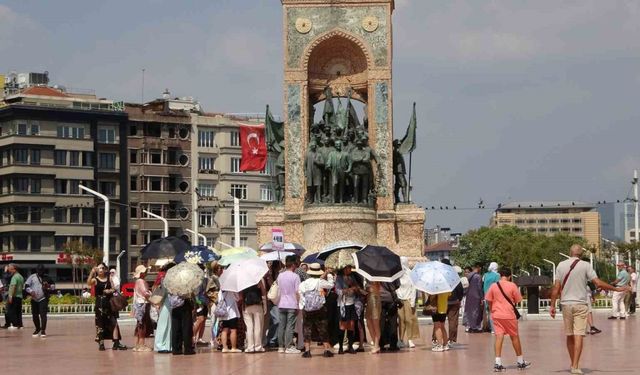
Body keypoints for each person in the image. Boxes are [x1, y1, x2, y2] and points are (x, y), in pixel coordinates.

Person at [550, 244, 626, 374]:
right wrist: (615, 289)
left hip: (566, 304)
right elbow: (598, 283)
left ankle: (572, 363)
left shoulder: (561, 265)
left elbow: (556, 288)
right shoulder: (585, 265)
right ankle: (575, 365)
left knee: (569, 335)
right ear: (581, 254)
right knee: (579, 334)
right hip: (580, 304)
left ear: (570, 252)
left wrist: (552, 305)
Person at [485, 267, 531, 372]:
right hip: (509, 315)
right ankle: (520, 361)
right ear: (509, 276)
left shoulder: (493, 286)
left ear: (500, 275)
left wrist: (493, 311)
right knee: (514, 337)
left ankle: (497, 363)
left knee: (499, 338)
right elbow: (518, 300)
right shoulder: (512, 285)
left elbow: (489, 300)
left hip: (497, 315)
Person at [298, 263, 335, 358]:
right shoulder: (320, 282)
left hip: (307, 310)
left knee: (307, 329)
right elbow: (331, 285)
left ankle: (307, 351)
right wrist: (329, 275)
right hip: (319, 309)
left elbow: (300, 296)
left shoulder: (303, 283)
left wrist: (302, 307)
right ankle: (326, 350)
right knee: (323, 328)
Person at [88, 263, 127, 351]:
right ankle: (101, 343)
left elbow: (114, 289)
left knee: (114, 323)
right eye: (99, 268)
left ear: (105, 269)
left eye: (102, 268)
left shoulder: (109, 278)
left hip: (109, 303)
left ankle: (116, 343)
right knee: (100, 324)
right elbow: (88, 283)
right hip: (100, 304)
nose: (100, 269)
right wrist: (91, 272)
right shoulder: (95, 280)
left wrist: (109, 291)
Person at [277, 256, 301, 354]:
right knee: (290, 326)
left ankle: (281, 346)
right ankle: (289, 346)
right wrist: (299, 305)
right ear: (293, 265)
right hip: (292, 304)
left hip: (281, 303)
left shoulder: (280, 276)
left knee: (281, 326)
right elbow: (297, 292)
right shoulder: (295, 276)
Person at [336, 265, 361, 354]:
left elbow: (356, 287)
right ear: (343, 269)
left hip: (352, 303)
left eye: (350, 268)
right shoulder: (339, 278)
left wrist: (355, 288)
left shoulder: (352, 277)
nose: (350, 270)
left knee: (351, 325)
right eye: (348, 268)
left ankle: (350, 346)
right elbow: (338, 291)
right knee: (343, 325)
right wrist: (349, 289)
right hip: (343, 304)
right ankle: (341, 347)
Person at [25, 264, 55, 337]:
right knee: (35, 315)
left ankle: (43, 330)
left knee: (43, 315)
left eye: (42, 270)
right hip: (34, 299)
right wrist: (31, 291)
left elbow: (53, 287)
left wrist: (48, 286)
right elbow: (26, 286)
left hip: (43, 298)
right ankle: (37, 329)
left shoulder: (47, 277)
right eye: (39, 270)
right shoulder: (32, 277)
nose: (40, 272)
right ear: (37, 270)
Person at [397, 257, 419, 348]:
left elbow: (414, 288)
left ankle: (410, 339)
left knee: (409, 320)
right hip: (399, 299)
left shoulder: (410, 274)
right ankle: (401, 339)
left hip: (408, 299)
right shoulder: (397, 275)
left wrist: (413, 302)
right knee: (401, 320)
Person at [154, 262, 175, 353]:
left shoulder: (169, 279)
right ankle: (160, 345)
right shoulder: (164, 278)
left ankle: (167, 345)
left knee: (169, 324)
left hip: (169, 302)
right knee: (164, 323)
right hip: (166, 301)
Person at [242, 279, 267, 353]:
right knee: (258, 326)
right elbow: (263, 292)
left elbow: (242, 294)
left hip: (247, 304)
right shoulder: (258, 278)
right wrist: (265, 304)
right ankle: (258, 346)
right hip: (257, 304)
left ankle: (250, 347)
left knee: (249, 327)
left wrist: (243, 304)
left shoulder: (243, 280)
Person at [132, 265, 153, 352]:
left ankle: (137, 344)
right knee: (142, 324)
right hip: (142, 303)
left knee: (140, 324)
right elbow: (145, 293)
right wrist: (151, 294)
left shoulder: (138, 281)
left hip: (139, 303)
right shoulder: (141, 281)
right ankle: (141, 344)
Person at [464, 263, 484, 333]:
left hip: (469, 296)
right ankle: (475, 327)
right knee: (476, 312)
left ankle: (470, 326)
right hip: (476, 296)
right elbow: (479, 288)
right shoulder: (478, 276)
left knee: (469, 312)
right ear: (478, 267)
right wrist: (482, 298)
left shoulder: (468, 276)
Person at [5, 264, 24, 330]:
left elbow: (13, 286)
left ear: (14, 269)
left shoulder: (14, 277)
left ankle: (15, 325)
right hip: (19, 296)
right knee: (18, 311)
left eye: (10, 269)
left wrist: (10, 296)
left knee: (11, 311)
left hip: (14, 296)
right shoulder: (21, 277)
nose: (9, 271)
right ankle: (20, 325)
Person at [365, 281, 382, 354]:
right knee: (369, 323)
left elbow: (377, 289)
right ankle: (375, 343)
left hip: (375, 300)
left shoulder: (377, 280)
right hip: (369, 301)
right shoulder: (368, 279)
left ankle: (377, 345)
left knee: (376, 324)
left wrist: (372, 287)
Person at [483, 262, 500, 333]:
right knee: (493, 312)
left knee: (488, 312)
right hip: (494, 296)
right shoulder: (497, 275)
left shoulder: (485, 274)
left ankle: (488, 327)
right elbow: (498, 286)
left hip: (486, 295)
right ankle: (494, 328)